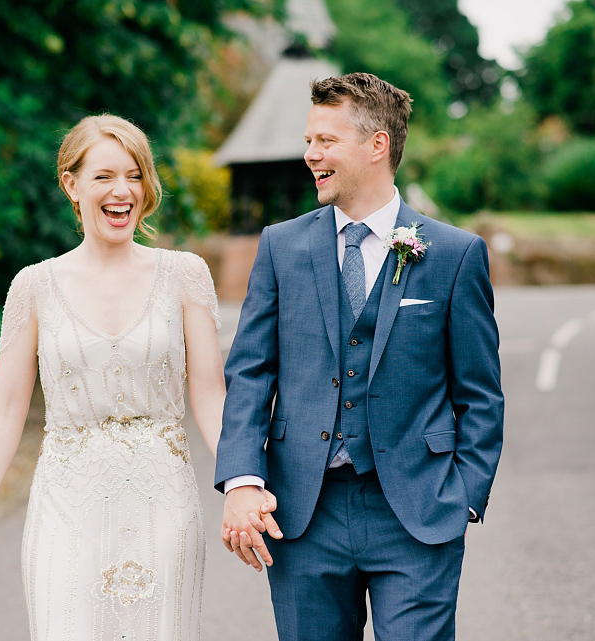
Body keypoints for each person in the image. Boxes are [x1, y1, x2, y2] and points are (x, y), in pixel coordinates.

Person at [215, 72, 505, 640]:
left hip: (417, 513)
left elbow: (480, 392)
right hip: (303, 514)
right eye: (308, 141)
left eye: (326, 141)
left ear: (378, 146)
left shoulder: (453, 253)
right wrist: (242, 480)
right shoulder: (281, 246)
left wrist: (463, 498)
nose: (309, 155)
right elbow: (250, 372)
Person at [0, 114, 230, 640]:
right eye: (103, 176)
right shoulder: (33, 287)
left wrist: (242, 482)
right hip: (66, 507)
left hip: (164, 507)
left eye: (134, 174)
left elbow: (212, 397)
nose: (121, 190)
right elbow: (7, 406)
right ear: (70, 183)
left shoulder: (185, 275)